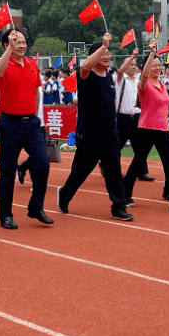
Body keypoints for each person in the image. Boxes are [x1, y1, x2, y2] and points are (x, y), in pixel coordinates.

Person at [56, 34, 133, 221]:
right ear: (93, 55)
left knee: (114, 170)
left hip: (110, 134)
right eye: (102, 53)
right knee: (80, 171)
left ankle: (118, 207)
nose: (107, 56)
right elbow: (84, 66)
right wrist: (103, 46)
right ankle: (65, 194)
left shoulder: (109, 78)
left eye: (108, 53)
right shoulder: (86, 75)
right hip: (89, 133)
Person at [0, 28, 52, 229]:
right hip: (10, 124)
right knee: (7, 172)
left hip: (32, 124)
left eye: (23, 41)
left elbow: (36, 90)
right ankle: (6, 215)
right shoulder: (2, 63)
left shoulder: (32, 64)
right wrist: (9, 49)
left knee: (43, 164)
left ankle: (36, 207)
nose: (21, 45)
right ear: (6, 45)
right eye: (16, 41)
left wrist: (35, 116)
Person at [122, 43, 169, 212]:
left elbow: (165, 106)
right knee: (138, 163)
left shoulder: (161, 84)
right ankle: (124, 194)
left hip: (163, 130)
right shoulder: (143, 84)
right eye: (154, 65)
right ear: (146, 68)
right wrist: (152, 53)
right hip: (146, 129)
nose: (158, 68)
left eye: (160, 65)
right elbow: (144, 77)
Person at [115, 52, 153, 182]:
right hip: (122, 118)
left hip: (137, 117)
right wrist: (132, 56)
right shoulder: (120, 78)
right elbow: (120, 71)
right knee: (117, 146)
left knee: (140, 147)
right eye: (130, 64)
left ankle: (142, 172)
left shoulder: (139, 80)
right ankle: (110, 168)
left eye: (135, 65)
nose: (133, 66)